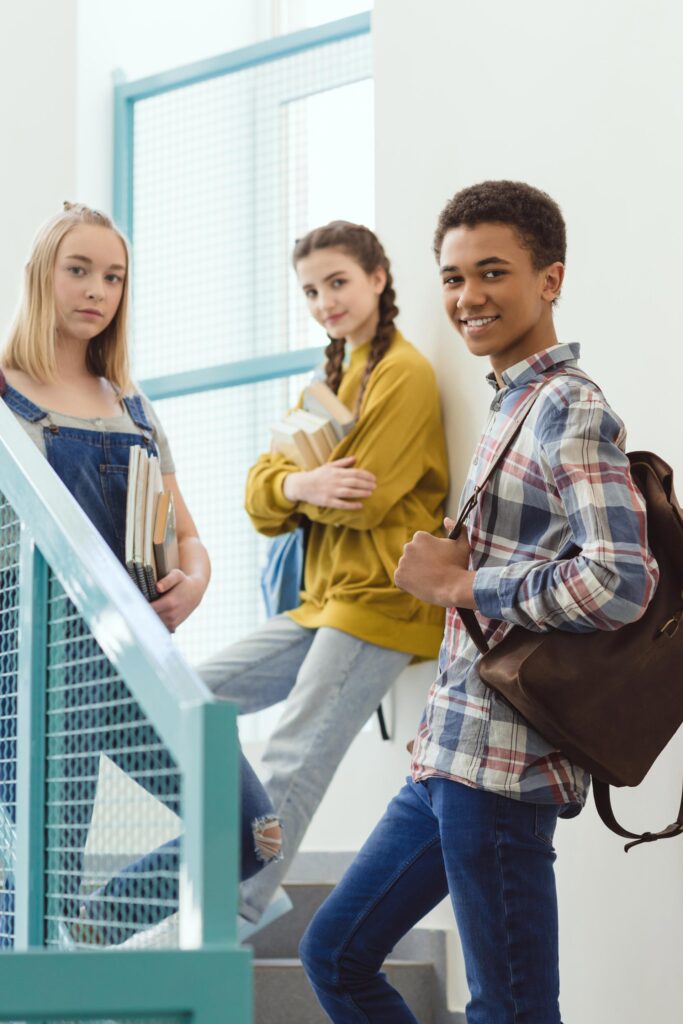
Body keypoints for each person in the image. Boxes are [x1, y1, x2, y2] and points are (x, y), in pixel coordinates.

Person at [298, 182, 659, 1023]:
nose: (467, 297)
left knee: (510, 1011)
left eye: (491, 273)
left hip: (503, 766)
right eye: (453, 278)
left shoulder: (567, 406)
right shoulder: (512, 402)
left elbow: (619, 580)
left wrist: (465, 583)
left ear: (549, 279)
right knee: (336, 954)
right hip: (448, 753)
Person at [0, 203, 280, 947]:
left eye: (113, 277)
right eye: (79, 270)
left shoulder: (133, 405)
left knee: (254, 831)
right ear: (40, 277)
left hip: (138, 663)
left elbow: (188, 538)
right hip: (34, 678)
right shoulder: (3, 397)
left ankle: (90, 930)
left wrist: (192, 582)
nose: (97, 290)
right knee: (31, 887)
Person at [198, 220, 450, 926]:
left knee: (292, 756)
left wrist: (297, 485)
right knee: (186, 699)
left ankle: (234, 907)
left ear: (377, 277)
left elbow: (364, 500)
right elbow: (259, 495)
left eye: (337, 282)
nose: (324, 301)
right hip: (321, 601)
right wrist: (300, 489)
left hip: (379, 602)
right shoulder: (326, 378)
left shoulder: (402, 373)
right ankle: (224, 849)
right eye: (310, 290)